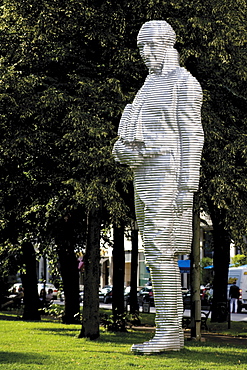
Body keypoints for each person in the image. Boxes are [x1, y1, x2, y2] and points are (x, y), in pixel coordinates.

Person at [113, 20, 204, 353]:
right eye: (141, 48)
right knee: (154, 254)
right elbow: (131, 133)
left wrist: (186, 188)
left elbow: (193, 137)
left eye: (152, 46)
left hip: (168, 176)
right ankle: (167, 331)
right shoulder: (146, 87)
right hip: (144, 176)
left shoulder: (184, 83)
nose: (146, 54)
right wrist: (123, 149)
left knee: (163, 253)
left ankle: (170, 333)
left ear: (168, 44)